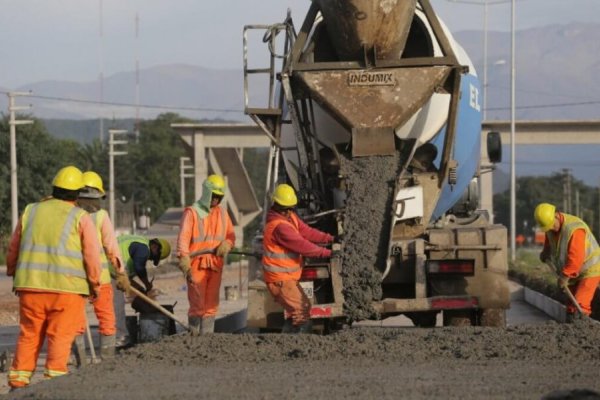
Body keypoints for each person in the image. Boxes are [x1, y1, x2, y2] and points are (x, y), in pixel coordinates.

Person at [6, 166, 102, 390]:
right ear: (77, 193)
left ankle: (18, 384)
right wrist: (94, 283)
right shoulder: (80, 216)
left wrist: (13, 271)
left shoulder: (31, 210)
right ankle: (54, 385)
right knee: (60, 337)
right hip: (66, 292)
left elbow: (14, 246)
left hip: (30, 287)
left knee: (29, 335)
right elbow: (91, 255)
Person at [72, 171, 131, 363]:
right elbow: (112, 247)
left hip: (76, 278)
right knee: (106, 318)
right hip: (100, 278)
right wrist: (121, 272)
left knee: (76, 320)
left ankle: (80, 358)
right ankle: (107, 358)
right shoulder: (100, 216)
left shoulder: (71, 215)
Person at [261, 183, 334, 333]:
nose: (289, 211)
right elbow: (302, 245)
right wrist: (327, 253)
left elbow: (307, 232)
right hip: (280, 279)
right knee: (301, 311)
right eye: (286, 208)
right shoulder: (279, 227)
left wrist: (330, 239)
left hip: (287, 278)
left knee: (301, 309)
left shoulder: (289, 217)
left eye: (291, 208)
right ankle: (297, 344)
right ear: (278, 206)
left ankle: (289, 342)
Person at [177, 174, 235, 334]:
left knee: (211, 305)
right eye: (213, 196)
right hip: (196, 265)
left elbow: (231, 235)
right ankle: (194, 336)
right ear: (206, 193)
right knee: (197, 304)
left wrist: (227, 243)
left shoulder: (222, 213)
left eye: (219, 197)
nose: (216, 200)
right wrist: (184, 258)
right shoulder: (192, 213)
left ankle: (207, 339)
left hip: (215, 264)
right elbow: (183, 238)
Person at [535, 202, 600, 321]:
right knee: (571, 305)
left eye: (551, 225)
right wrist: (545, 252)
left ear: (556, 215)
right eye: (547, 228)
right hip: (573, 270)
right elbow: (549, 242)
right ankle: (571, 328)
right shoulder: (550, 228)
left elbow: (575, 259)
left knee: (580, 303)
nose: (550, 229)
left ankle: (582, 328)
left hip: (591, 268)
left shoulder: (574, 229)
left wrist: (564, 277)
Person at [114, 234, 171, 347]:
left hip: (113, 269)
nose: (150, 259)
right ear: (155, 246)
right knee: (117, 305)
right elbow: (139, 267)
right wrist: (147, 284)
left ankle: (117, 337)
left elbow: (127, 278)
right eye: (154, 257)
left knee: (115, 305)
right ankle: (119, 339)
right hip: (108, 267)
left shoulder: (139, 243)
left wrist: (140, 287)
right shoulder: (143, 248)